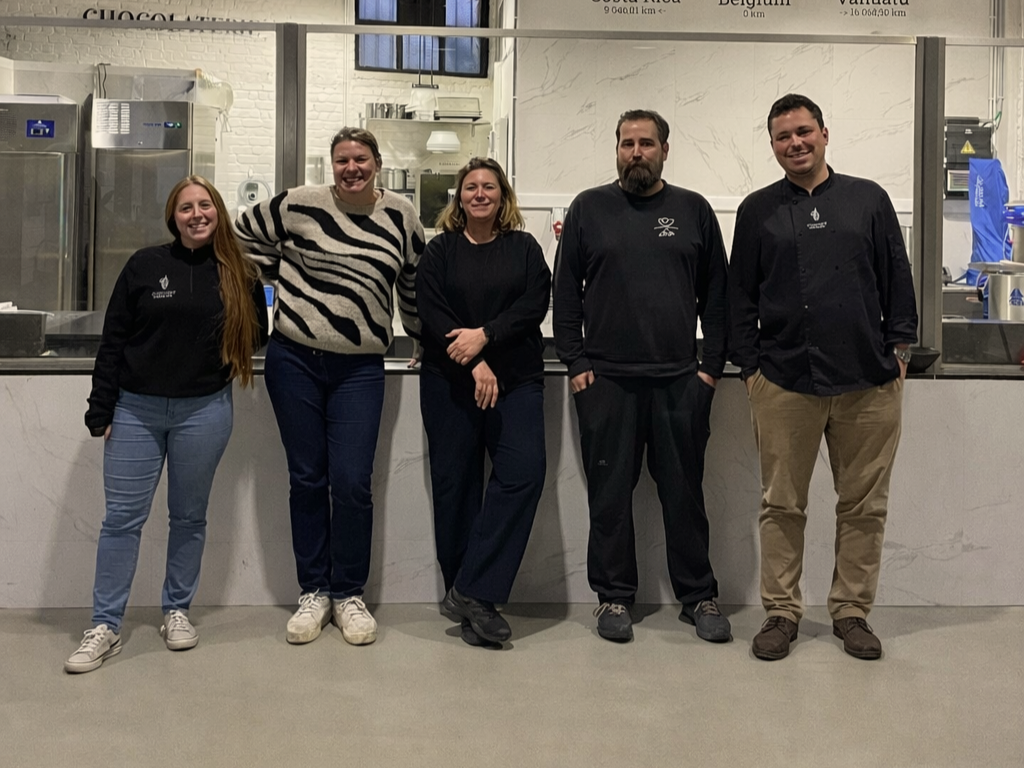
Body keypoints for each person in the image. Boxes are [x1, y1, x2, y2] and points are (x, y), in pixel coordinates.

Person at [729, 93, 918, 661]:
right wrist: (752, 370)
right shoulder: (757, 210)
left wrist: (899, 352)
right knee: (781, 505)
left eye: (804, 131)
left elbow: (897, 278)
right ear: (772, 146)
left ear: (825, 134)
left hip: (868, 382)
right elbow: (740, 298)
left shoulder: (868, 200)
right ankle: (781, 613)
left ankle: (851, 611)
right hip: (784, 381)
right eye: (783, 136)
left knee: (863, 506)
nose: (796, 143)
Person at [65, 176, 268, 674]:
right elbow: (113, 340)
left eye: (205, 205)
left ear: (218, 211)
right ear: (172, 217)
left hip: (205, 411)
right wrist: (101, 407)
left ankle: (177, 611)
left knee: (189, 517)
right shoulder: (145, 265)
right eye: (186, 207)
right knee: (121, 520)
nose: (197, 214)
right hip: (136, 411)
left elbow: (257, 336)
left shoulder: (240, 272)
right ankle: (105, 625)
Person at [235, 127, 423, 646]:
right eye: (342, 160)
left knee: (352, 482)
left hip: (360, 368)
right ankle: (314, 591)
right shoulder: (300, 203)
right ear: (331, 164)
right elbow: (241, 235)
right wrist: (276, 273)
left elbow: (412, 281)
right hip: (294, 360)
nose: (351, 168)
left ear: (377, 163)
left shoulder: (401, 216)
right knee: (307, 479)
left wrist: (421, 335)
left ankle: (349, 595)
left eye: (360, 159)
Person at [552, 109, 731, 644]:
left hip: (679, 381)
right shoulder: (588, 209)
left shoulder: (693, 211)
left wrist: (709, 370)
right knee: (609, 497)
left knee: (685, 494)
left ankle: (698, 597)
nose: (636, 153)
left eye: (646, 143)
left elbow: (717, 297)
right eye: (627, 143)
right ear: (616, 150)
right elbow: (566, 293)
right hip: (606, 383)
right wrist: (576, 363)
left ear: (664, 150)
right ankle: (613, 598)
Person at [416, 158, 550, 647]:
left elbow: (533, 304)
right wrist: (474, 360)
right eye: (470, 187)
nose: (479, 194)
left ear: (502, 195)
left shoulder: (524, 248)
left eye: (488, 186)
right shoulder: (440, 250)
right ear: (458, 198)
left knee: (524, 473)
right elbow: (432, 311)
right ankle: (476, 603)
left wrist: (486, 336)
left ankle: (471, 591)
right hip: (450, 382)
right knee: (456, 486)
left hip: (517, 381)